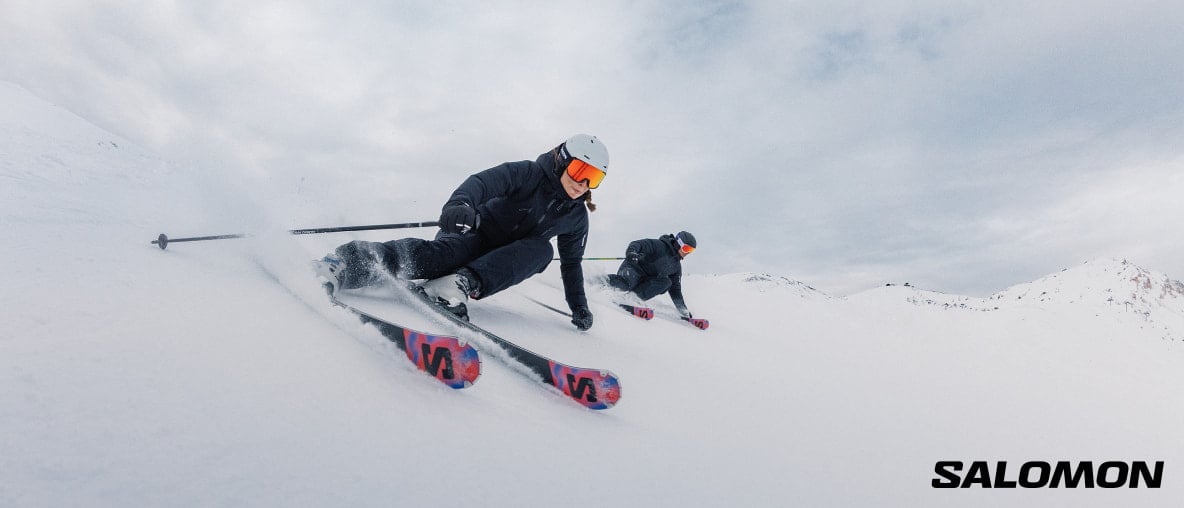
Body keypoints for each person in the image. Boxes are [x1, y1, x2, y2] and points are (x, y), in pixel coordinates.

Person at [316, 134, 608, 330]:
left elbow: (571, 264)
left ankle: (453, 287)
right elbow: (481, 183)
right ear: (561, 159)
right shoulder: (528, 173)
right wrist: (460, 205)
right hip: (471, 235)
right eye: (580, 170)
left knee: (544, 250)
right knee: (443, 255)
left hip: (493, 266)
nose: (583, 183)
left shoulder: (576, 217)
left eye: (593, 177)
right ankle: (344, 263)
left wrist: (578, 307)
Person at [606, 231, 702, 322]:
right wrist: (632, 252)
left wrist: (683, 310)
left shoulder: (676, 267)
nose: (687, 253)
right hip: (633, 269)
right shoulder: (659, 245)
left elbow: (675, 290)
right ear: (678, 243)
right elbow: (637, 244)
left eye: (691, 250)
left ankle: (632, 298)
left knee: (667, 282)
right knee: (626, 284)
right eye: (687, 249)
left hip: (645, 280)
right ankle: (600, 281)